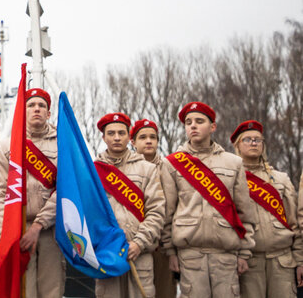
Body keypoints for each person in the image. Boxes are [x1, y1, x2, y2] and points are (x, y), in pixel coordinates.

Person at [160, 101, 255, 298]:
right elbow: (167, 212)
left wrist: (245, 252)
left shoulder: (234, 163)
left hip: (226, 255)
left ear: (213, 127)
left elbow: (244, 212)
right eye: (188, 122)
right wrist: (170, 252)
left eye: (199, 121)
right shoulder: (172, 164)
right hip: (190, 254)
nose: (192, 125)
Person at [0, 88, 64, 298]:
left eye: (42, 106)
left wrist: (40, 224)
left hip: (51, 229)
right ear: (24, 110)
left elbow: (64, 191)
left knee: (52, 291)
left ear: (49, 113)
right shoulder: (8, 146)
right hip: (18, 230)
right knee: (23, 291)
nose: (36, 110)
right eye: (31, 105)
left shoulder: (62, 144)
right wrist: (7, 234)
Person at [230, 120, 303, 297]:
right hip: (249, 263)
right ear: (238, 145)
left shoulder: (281, 179)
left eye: (258, 139)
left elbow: (296, 222)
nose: (254, 143)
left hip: (283, 262)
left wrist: (300, 260)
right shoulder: (231, 179)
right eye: (247, 139)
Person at [95, 113, 165, 298]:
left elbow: (156, 212)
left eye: (121, 133)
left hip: (139, 253)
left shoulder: (147, 169)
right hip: (106, 253)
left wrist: (139, 242)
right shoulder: (93, 171)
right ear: (103, 137)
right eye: (111, 133)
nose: (116, 138)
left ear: (129, 137)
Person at [130, 119, 177, 298]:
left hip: (164, 246)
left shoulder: (170, 169)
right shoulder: (125, 169)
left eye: (153, 137)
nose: (148, 141)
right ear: (133, 142)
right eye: (142, 137)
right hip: (137, 244)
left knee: (165, 292)